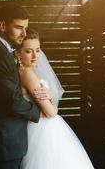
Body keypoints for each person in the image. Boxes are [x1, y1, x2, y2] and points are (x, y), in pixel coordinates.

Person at [0, 4, 52, 169]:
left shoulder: (3, 52)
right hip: (0, 144)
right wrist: (40, 110)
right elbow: (13, 100)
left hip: (6, 142)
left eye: (26, 28)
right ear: (2, 26)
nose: (24, 33)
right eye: (18, 27)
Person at [14, 29, 94, 169]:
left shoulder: (26, 72)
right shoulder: (28, 75)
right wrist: (52, 104)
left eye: (37, 50)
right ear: (17, 53)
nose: (35, 56)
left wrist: (50, 96)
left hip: (42, 126)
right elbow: (50, 113)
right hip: (42, 130)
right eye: (28, 51)